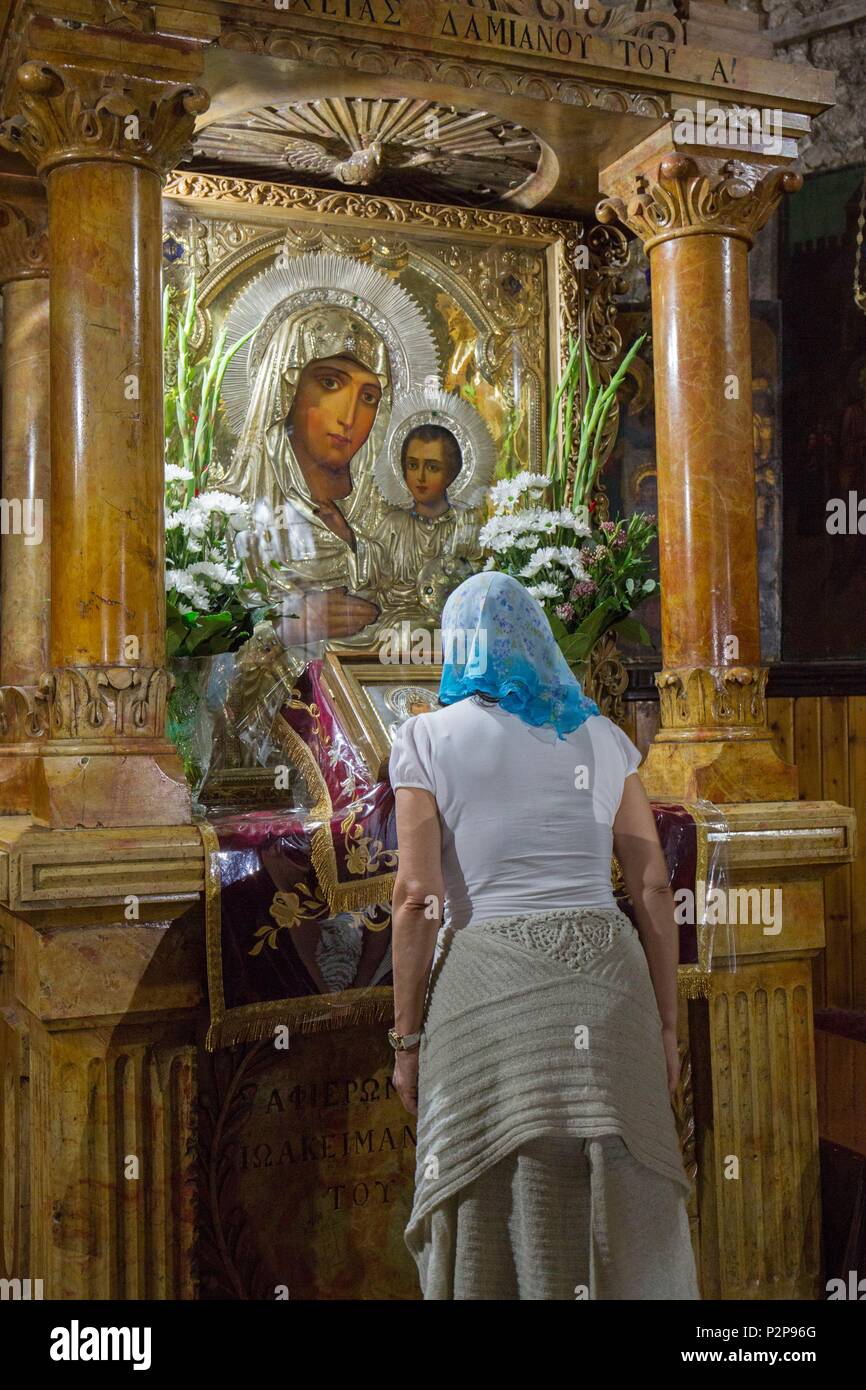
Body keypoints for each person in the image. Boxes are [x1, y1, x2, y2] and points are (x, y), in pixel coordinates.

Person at [387, 570, 700, 1300]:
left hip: (489, 992)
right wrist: (667, 1024)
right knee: (622, 1203)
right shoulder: (602, 735)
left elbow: (416, 898)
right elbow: (652, 884)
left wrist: (406, 1040)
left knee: (487, 1203)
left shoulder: (426, 738)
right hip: (610, 983)